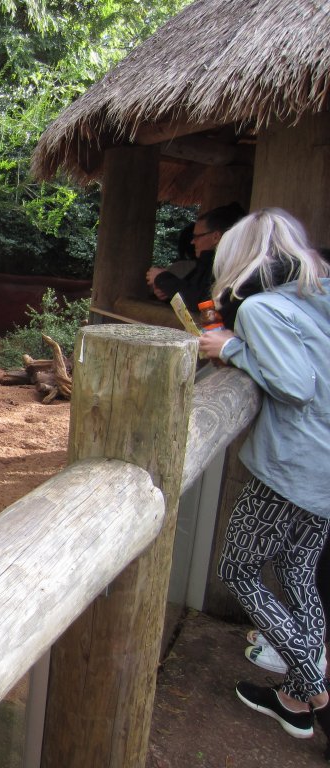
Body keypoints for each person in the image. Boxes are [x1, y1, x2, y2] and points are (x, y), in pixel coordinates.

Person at [197, 208, 330, 739]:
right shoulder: (317, 294)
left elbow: (294, 384)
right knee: (298, 570)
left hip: (292, 468)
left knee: (238, 572)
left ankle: (312, 684)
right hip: (324, 468)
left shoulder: (262, 309)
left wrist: (230, 346)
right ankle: (297, 699)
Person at [146, 203, 246, 307]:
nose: (192, 242)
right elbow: (190, 290)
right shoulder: (206, 262)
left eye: (197, 236)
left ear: (215, 237)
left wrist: (161, 278)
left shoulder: (225, 264)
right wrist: (167, 292)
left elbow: (198, 299)